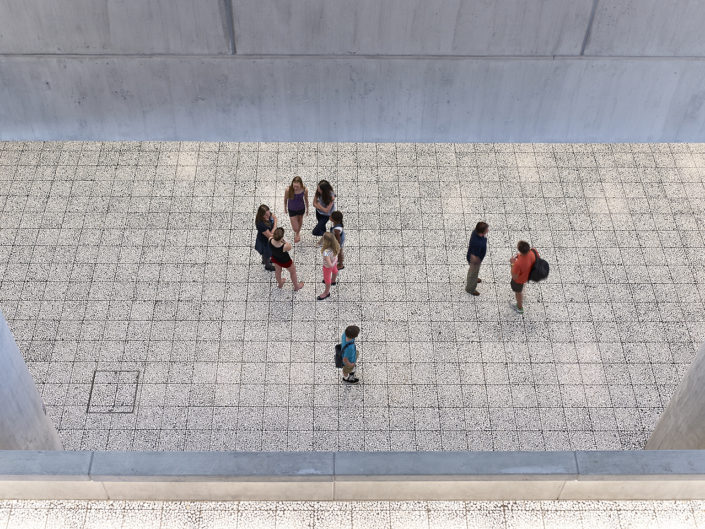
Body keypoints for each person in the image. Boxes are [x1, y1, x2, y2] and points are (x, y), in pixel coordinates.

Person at [509, 240, 536, 314]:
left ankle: (519, 307)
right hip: (527, 275)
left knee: (518, 292)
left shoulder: (518, 264)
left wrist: (512, 264)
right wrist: (519, 256)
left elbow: (514, 276)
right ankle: (522, 289)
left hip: (519, 281)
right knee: (522, 286)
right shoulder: (532, 252)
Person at [466, 221, 489, 296]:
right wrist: (476, 263)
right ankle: (470, 289)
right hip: (475, 261)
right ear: (482, 232)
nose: (488, 230)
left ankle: (474, 278)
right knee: (473, 273)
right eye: (486, 230)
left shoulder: (475, 232)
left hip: (476, 259)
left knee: (474, 273)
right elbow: (474, 256)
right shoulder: (477, 243)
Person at [284, 176, 309, 243]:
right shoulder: (288, 190)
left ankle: (297, 234)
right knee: (295, 228)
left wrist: (307, 209)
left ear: (301, 184)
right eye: (294, 186)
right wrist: (285, 207)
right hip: (291, 209)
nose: (295, 188)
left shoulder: (304, 189)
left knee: (300, 219)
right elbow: (285, 199)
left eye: (297, 187)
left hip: (301, 208)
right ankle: (297, 231)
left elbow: (306, 199)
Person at [317, 232, 339, 300]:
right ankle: (333, 281)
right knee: (335, 270)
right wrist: (335, 260)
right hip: (334, 263)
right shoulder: (336, 245)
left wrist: (334, 261)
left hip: (327, 267)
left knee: (327, 280)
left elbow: (329, 265)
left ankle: (326, 293)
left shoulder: (326, 252)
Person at [254, 204, 276, 271]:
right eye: (265, 215)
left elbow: (275, 218)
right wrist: (275, 230)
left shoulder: (268, 214)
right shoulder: (260, 224)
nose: (268, 216)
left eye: (268, 213)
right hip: (264, 242)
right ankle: (267, 266)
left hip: (268, 239)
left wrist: (273, 229)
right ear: (261, 215)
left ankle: (266, 260)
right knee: (266, 254)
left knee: (267, 254)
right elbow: (270, 236)